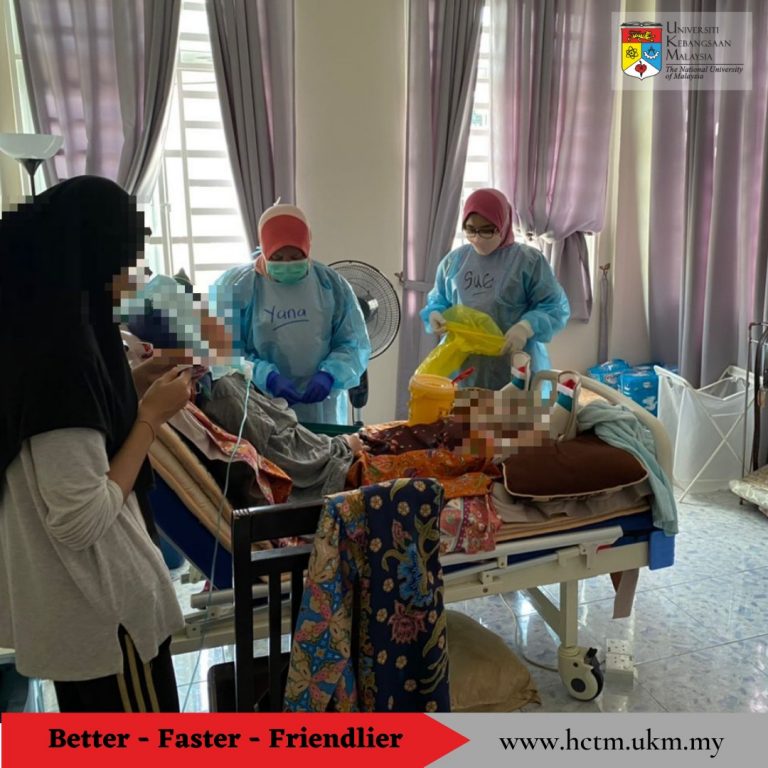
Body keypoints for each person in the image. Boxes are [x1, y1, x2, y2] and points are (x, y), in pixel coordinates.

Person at [0, 176, 193, 712]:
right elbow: (79, 519)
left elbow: (70, 430)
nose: (131, 278)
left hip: (81, 612)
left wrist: (130, 387)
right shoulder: (59, 358)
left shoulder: (33, 328)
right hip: (108, 618)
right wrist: (150, 419)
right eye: (124, 261)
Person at [209, 203, 371, 424]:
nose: (287, 264)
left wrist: (330, 374)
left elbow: (353, 342)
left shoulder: (331, 285)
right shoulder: (236, 287)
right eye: (277, 257)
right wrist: (265, 376)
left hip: (323, 406)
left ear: (308, 248)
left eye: (295, 256)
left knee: (324, 446)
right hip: (261, 404)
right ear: (264, 250)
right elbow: (222, 349)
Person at [421, 188, 570, 390]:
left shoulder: (529, 262)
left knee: (513, 409)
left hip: (516, 367)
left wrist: (525, 327)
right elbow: (439, 299)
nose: (478, 237)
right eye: (470, 230)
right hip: (465, 370)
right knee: (467, 409)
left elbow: (554, 306)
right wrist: (434, 313)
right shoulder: (454, 262)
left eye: (487, 230)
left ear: (503, 223)